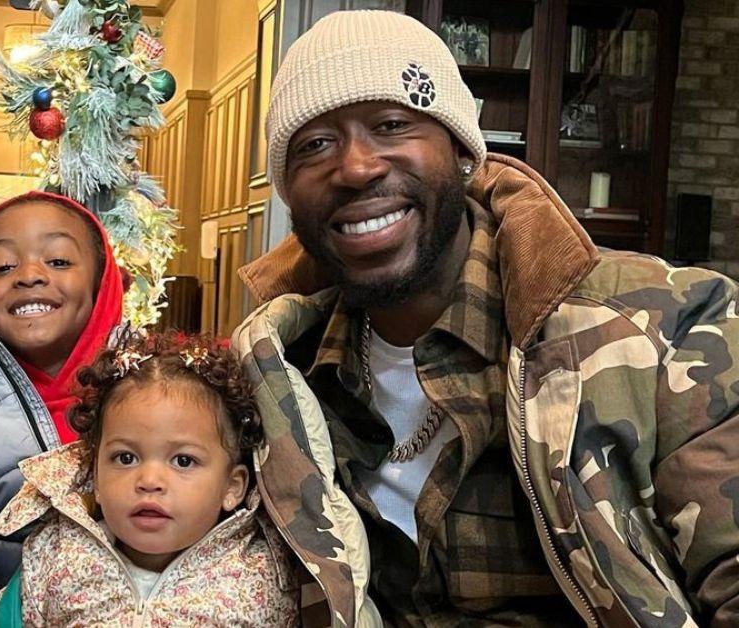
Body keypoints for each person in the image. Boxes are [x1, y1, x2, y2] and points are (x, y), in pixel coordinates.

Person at [232, 10, 739, 627]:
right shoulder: (277, 367)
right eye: (314, 145)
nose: (356, 167)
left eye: (392, 125)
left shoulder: (666, 324)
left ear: (464, 154)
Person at [0, 331, 298, 626]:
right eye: (125, 458)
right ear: (95, 477)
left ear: (232, 487)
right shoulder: (55, 555)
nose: (149, 480)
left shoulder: (256, 574)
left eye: (183, 460)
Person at [0, 190, 126, 593]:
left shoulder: (164, 396)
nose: (29, 274)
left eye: (59, 260)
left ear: (102, 282)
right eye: (2, 266)